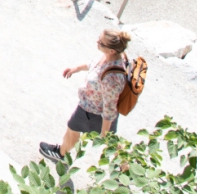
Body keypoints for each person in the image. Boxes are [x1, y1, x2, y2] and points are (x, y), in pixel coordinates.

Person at [38, 30, 132, 162]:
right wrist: (76, 68)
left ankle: (61, 154)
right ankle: (127, 168)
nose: (97, 43)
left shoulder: (112, 78)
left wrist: (105, 131)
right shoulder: (112, 57)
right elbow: (93, 65)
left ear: (111, 50)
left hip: (93, 112)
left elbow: (109, 108)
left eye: (101, 43)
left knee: (78, 130)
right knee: (110, 141)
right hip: (89, 106)